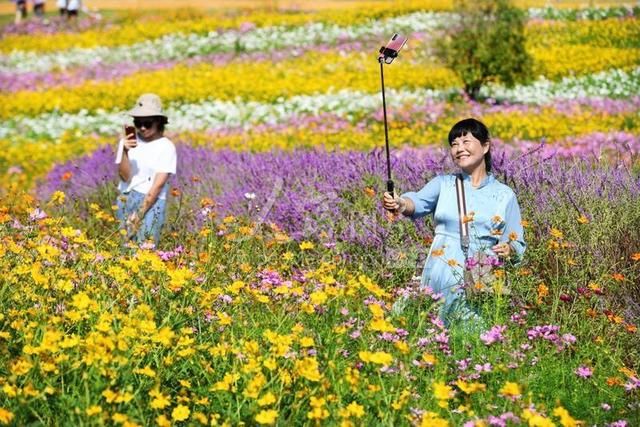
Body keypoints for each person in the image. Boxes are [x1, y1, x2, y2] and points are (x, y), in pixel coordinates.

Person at [383, 118, 526, 325]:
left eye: (466, 141)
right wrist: (399, 203)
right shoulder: (444, 184)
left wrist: (509, 249)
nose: (459, 149)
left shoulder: (505, 195)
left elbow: (517, 243)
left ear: (485, 146)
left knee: (473, 335)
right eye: (454, 144)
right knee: (433, 328)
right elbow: (415, 203)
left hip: (480, 273)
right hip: (439, 270)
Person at [115, 93, 177, 246]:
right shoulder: (127, 143)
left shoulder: (166, 147)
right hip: (126, 197)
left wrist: (139, 214)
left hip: (151, 203)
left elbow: (158, 185)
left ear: (158, 122)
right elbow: (124, 177)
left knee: (144, 251)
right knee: (124, 251)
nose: (142, 128)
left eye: (148, 123)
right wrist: (124, 151)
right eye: (138, 123)